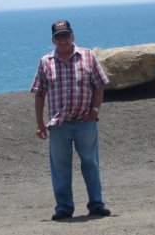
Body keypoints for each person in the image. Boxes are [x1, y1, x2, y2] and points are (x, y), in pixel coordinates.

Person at [30, 20, 111, 221]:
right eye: (58, 36)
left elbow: (99, 84)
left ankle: (96, 204)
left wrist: (94, 111)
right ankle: (64, 207)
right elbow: (39, 93)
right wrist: (40, 124)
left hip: (86, 122)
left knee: (91, 163)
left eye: (66, 35)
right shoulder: (45, 61)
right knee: (60, 167)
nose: (63, 39)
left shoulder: (88, 56)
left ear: (73, 36)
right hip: (58, 125)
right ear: (53, 40)